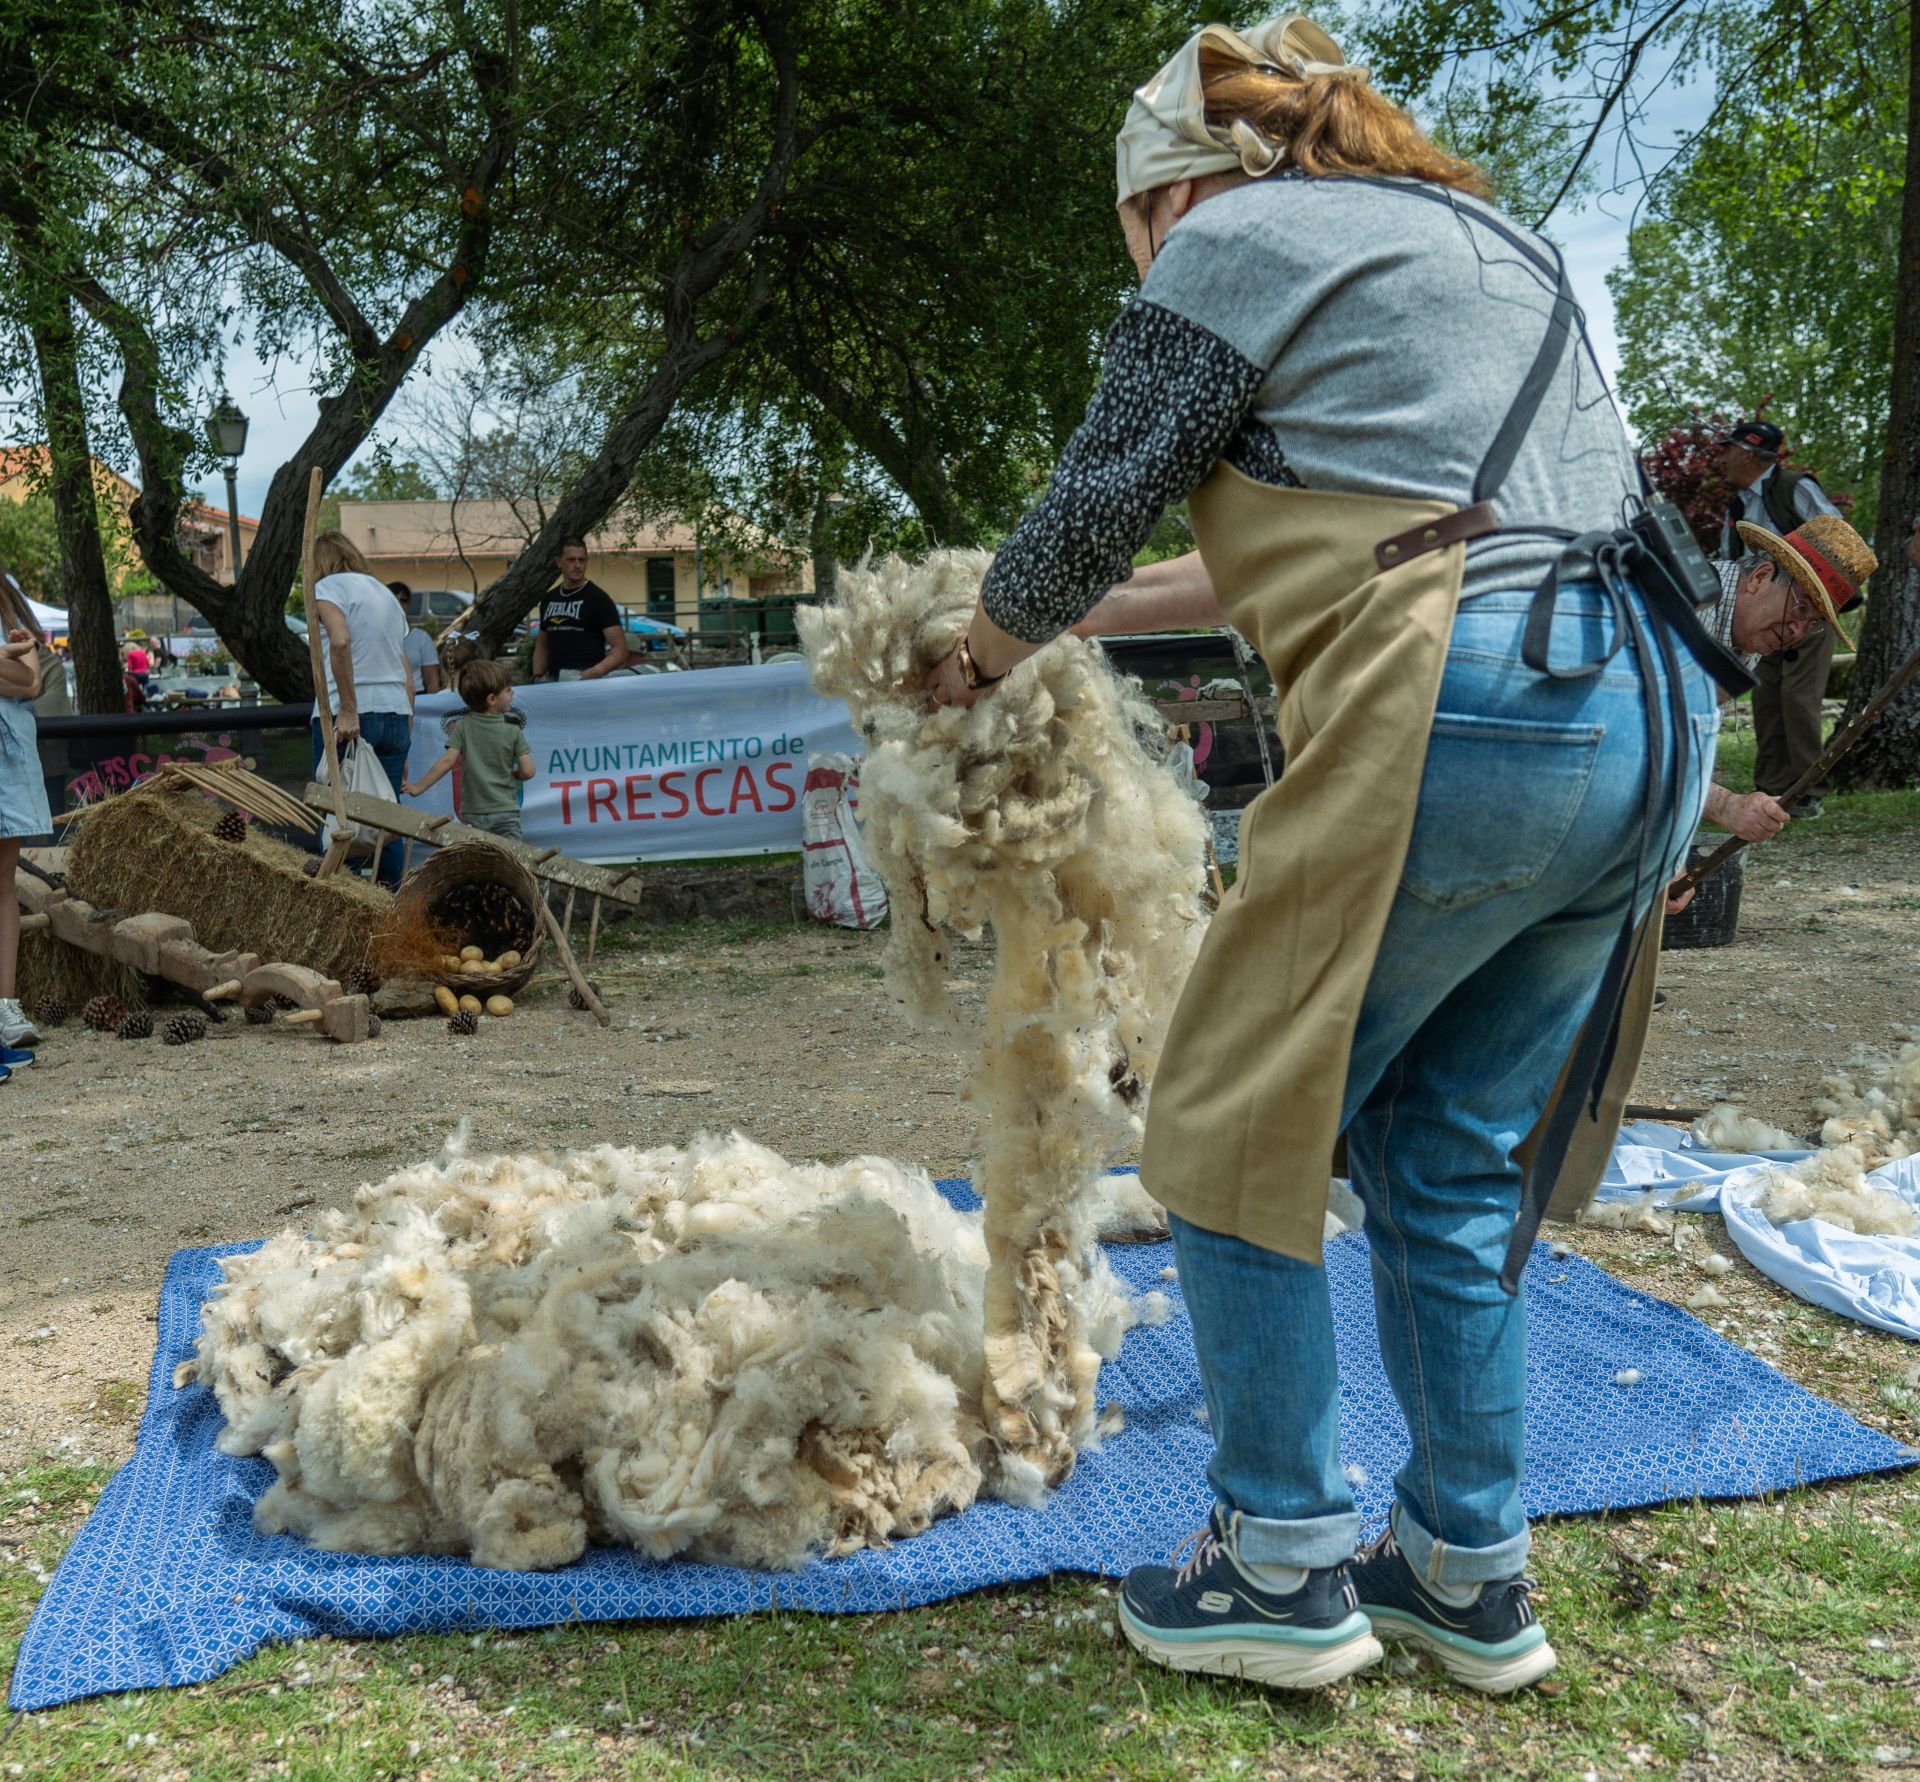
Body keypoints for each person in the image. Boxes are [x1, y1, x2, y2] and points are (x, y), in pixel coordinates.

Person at [927, 14, 1742, 1696]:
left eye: (1131, 233)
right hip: (1647, 706)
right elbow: (1265, 555)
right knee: (1445, 1145)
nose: (1143, 260)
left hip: (1475, 697)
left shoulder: (1226, 244)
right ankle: (1465, 1563)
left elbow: (1093, 504)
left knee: (1225, 1113)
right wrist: (1059, 632)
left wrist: (979, 651)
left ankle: (1279, 1557)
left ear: (1171, 193)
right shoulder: (1474, 238)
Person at [1693, 513, 1877, 845]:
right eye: (1802, 607)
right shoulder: (1694, 607)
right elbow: (1645, 748)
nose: (1799, 631)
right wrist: (1725, 805)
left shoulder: (1746, 628)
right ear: (1760, 577)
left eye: (1814, 621)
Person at [1716, 419, 1853, 818]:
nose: (1722, 458)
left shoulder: (1795, 486)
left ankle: (1807, 791)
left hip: (1806, 608)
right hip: (1760, 609)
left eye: (1728, 450)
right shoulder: (1739, 503)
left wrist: (1800, 584)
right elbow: (1731, 557)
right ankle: (1772, 788)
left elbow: (1837, 536)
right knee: (1765, 695)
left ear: (1746, 453)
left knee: (1798, 697)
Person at [310, 531, 413, 884]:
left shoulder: (326, 588)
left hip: (352, 715)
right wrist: (405, 738)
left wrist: (349, 709)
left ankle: (344, 908)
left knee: (341, 818)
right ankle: (394, 907)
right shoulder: (385, 594)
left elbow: (339, 641)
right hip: (396, 713)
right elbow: (407, 676)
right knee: (388, 820)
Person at [0, 575, 52, 1072]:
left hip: (7, 763)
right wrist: (7, 662)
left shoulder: (9, 603)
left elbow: (30, 683)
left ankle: (5, 1006)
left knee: (3, 884)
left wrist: (16, 663)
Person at [402, 658, 534, 840]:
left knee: (477, 860)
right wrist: (514, 774)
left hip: (473, 812)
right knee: (510, 861)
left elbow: (446, 761)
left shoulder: (462, 728)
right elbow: (528, 771)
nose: (512, 694)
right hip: (506, 811)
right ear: (492, 699)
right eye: (508, 690)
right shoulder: (513, 731)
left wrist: (417, 787)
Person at [531, 539, 629, 682]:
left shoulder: (598, 599)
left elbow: (620, 650)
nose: (577, 565)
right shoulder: (549, 599)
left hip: (589, 684)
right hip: (553, 683)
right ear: (559, 561)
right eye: (571, 560)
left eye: (581, 560)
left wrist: (589, 675)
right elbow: (542, 645)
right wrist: (537, 677)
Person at [389, 581, 444, 696]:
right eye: (392, 601)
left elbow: (432, 681)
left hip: (417, 698)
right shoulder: (375, 638)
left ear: (409, 605)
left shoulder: (421, 638)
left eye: (403, 601)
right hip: (387, 698)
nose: (398, 605)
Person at [123, 631, 152, 699]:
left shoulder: (130, 654)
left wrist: (128, 671)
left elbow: (130, 666)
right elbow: (147, 663)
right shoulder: (143, 652)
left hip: (136, 674)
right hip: (145, 673)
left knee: (136, 687)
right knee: (146, 687)